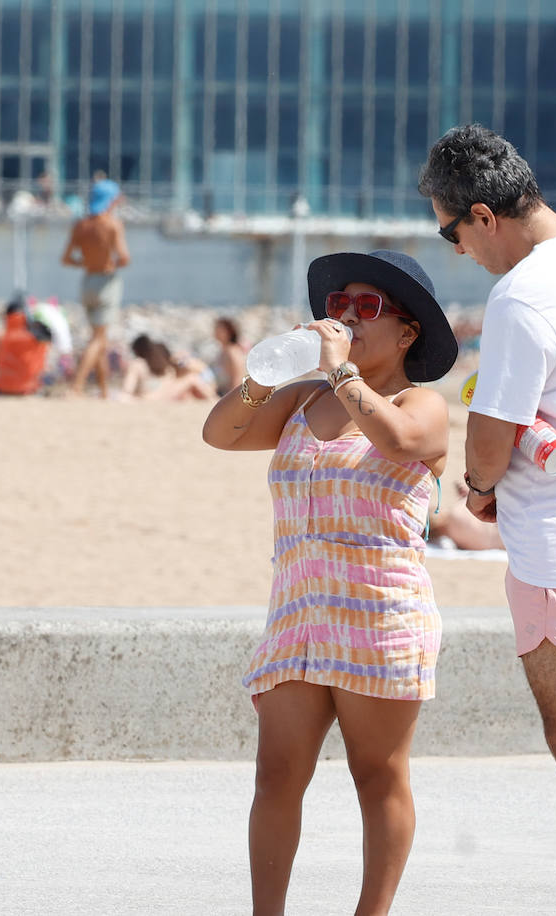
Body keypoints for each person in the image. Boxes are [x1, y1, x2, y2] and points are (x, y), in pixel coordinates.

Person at [419, 123, 556, 915]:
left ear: (484, 216)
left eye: (453, 232)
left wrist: (478, 488)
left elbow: (487, 442)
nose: (456, 250)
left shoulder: (519, 297)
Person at [202, 249, 458, 916]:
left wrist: (343, 371)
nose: (344, 316)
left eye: (366, 308)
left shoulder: (421, 404)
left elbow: (401, 442)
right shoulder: (302, 401)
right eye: (338, 305)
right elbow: (220, 433)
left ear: (407, 333)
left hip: (380, 615)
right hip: (298, 613)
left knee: (378, 776)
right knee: (277, 775)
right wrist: (268, 372)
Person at [61, 178, 131, 397]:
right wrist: (110, 263)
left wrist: (87, 262)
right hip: (106, 282)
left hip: (87, 280)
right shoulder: (112, 224)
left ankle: (103, 390)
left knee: (99, 337)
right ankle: (77, 385)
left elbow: (67, 258)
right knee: (98, 339)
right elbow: (124, 258)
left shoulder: (81, 225)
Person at [120, 334, 216, 401]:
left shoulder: (138, 364)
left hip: (151, 397)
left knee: (192, 379)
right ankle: (216, 402)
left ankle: (216, 401)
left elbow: (127, 389)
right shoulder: (163, 366)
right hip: (158, 397)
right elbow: (200, 368)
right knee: (192, 378)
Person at [209, 317, 248, 396]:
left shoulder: (232, 352)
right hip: (220, 391)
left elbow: (238, 378)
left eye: (219, 329)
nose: (215, 332)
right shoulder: (224, 351)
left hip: (226, 394)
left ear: (228, 332)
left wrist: (230, 398)